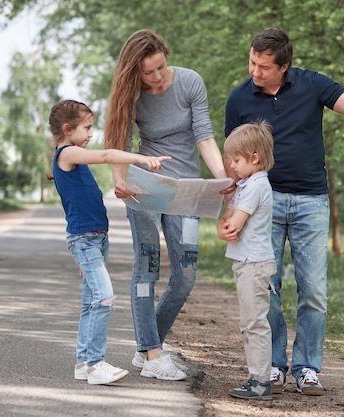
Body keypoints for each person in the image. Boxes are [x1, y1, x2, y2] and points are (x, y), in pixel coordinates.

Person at [224, 28, 344, 396]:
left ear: (284, 66)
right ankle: (273, 365)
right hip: (261, 204)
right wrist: (232, 210)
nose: (255, 72)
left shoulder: (312, 84)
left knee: (314, 291)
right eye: (252, 63)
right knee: (266, 288)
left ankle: (307, 368)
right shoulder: (240, 97)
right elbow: (233, 162)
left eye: (264, 66)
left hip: (311, 203)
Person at [103, 29, 232, 381]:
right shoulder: (129, 94)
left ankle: (147, 347)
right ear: (134, 72)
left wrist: (222, 178)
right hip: (145, 187)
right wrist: (119, 180)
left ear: (166, 56)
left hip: (186, 189)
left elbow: (204, 135)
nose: (156, 78)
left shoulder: (190, 82)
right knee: (146, 269)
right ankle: (154, 355)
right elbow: (118, 139)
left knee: (186, 275)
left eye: (160, 67)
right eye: (148, 72)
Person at [48, 99, 170, 385]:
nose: (91, 133)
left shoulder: (73, 155)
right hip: (85, 240)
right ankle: (95, 363)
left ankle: (83, 363)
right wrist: (140, 159)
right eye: (87, 127)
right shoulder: (67, 153)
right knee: (104, 297)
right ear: (68, 129)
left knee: (92, 301)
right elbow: (105, 156)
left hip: (95, 240)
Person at [217, 121, 276, 400]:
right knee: (249, 323)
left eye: (236, 160)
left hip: (255, 264)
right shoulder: (246, 183)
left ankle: (261, 380)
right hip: (246, 262)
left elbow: (232, 225)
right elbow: (227, 221)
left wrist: (227, 225)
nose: (232, 165)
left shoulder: (256, 186)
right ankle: (256, 377)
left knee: (254, 324)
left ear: (255, 158)